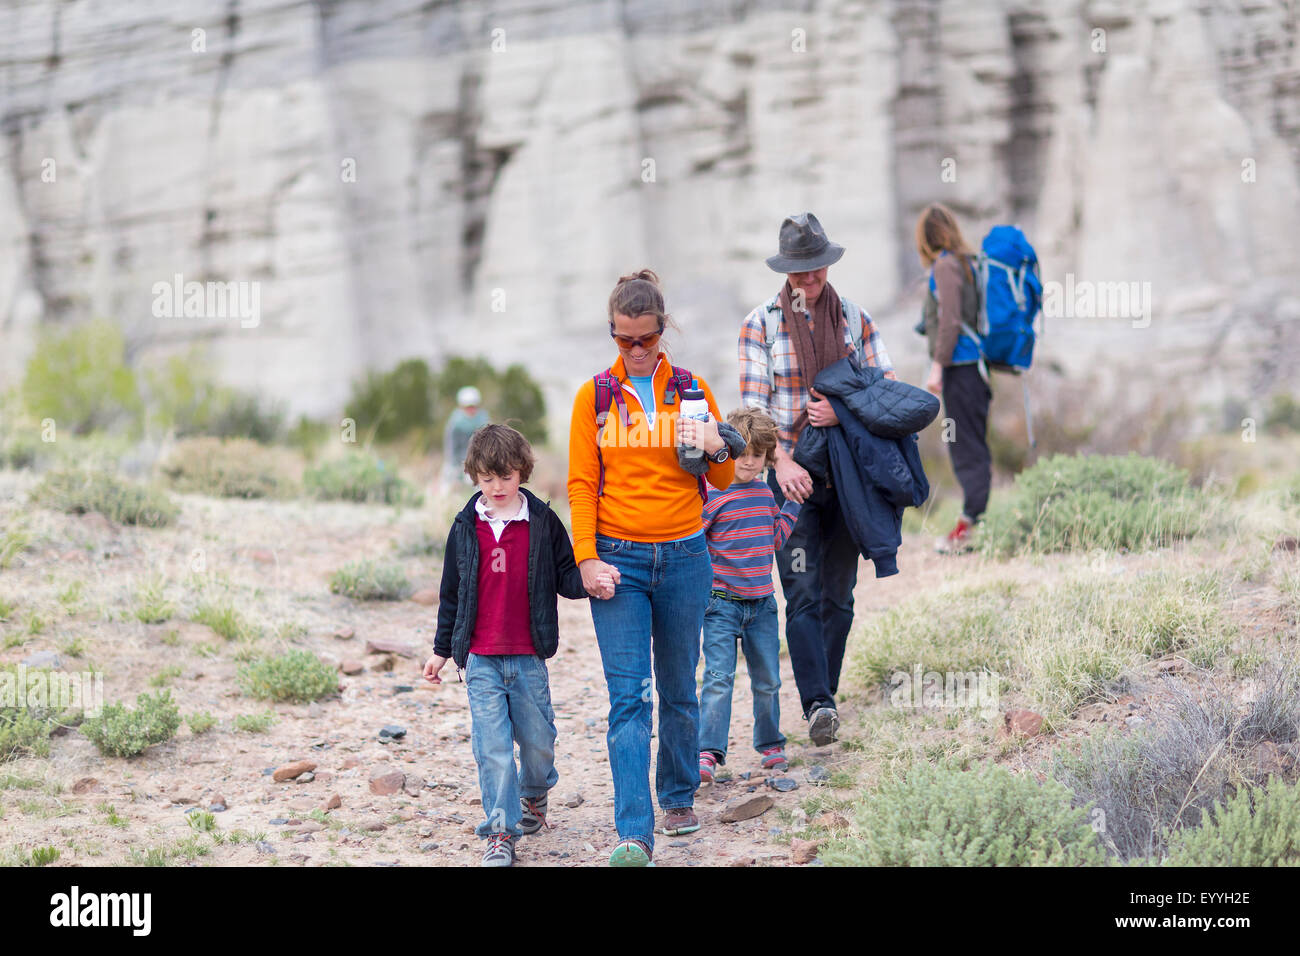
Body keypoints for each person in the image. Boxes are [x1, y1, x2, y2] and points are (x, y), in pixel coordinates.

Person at [568, 268, 735, 867]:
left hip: (688, 556)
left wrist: (716, 443)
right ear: (611, 333)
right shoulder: (593, 397)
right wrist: (585, 557)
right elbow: (582, 485)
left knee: (678, 687)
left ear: (664, 330)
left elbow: (719, 477)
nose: (636, 349)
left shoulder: (691, 388)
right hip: (618, 561)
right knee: (629, 697)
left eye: (647, 338)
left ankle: (679, 795)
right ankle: (634, 832)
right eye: (624, 339)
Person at [423, 423, 616, 867]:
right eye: (488, 479)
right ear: (474, 477)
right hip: (479, 658)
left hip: (529, 654)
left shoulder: (544, 522)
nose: (497, 487)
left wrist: (594, 580)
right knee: (491, 748)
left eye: (506, 477)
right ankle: (501, 831)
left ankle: (535, 792)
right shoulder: (464, 526)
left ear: (522, 472)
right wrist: (439, 650)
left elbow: (568, 577)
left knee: (538, 741)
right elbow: (451, 592)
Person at [738, 212, 896, 747]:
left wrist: (842, 412)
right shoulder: (758, 324)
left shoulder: (855, 318)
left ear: (828, 264)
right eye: (800, 273)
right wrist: (781, 462)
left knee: (841, 594)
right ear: (786, 272)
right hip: (790, 480)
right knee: (801, 592)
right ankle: (818, 704)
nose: (810, 281)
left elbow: (887, 392)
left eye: (817, 270)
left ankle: (823, 692)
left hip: (848, 474)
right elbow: (753, 411)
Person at [698, 408, 801, 784]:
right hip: (720, 604)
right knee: (718, 677)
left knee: (768, 679)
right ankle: (707, 751)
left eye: (758, 456)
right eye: (743, 454)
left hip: (762, 605)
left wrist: (793, 506)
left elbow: (775, 539)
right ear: (728, 450)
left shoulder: (764, 493)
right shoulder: (713, 493)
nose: (750, 462)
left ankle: (771, 743)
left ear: (768, 458)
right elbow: (697, 541)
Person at [916, 202, 991, 553]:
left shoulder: (945, 265)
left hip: (961, 370)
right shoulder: (966, 263)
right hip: (973, 370)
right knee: (971, 445)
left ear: (926, 238)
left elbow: (950, 320)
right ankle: (976, 523)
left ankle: (971, 528)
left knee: (965, 449)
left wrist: (937, 365)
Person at [441, 386, 489, 494]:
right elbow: (451, 446)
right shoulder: (455, 423)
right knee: (448, 483)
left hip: (477, 461)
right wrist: (454, 464)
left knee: (477, 485)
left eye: (473, 406)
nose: (471, 410)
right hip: (457, 460)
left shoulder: (483, 420)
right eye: (468, 407)